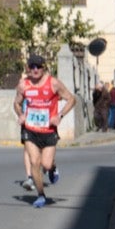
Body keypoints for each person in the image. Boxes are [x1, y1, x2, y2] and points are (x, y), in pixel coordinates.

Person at [14, 55, 77, 209]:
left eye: (39, 66)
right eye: (32, 66)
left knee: (46, 164)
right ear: (28, 68)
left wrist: (60, 115)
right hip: (30, 129)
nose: (35, 70)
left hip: (49, 130)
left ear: (44, 68)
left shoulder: (53, 83)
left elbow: (71, 99)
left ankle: (52, 167)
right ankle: (41, 194)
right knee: (35, 161)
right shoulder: (23, 85)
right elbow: (16, 103)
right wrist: (20, 115)